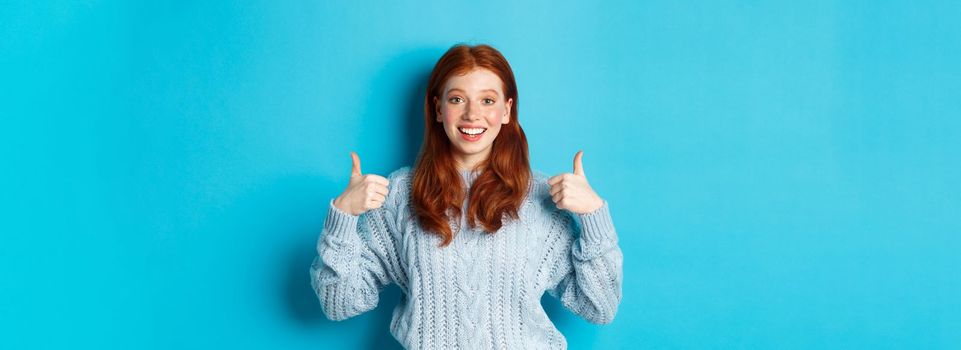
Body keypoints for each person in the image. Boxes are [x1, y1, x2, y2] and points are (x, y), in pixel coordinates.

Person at [310, 43, 623, 349]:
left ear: (506, 110)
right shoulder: (401, 196)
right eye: (457, 98)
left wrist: (594, 215)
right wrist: (343, 216)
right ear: (437, 108)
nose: (473, 114)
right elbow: (339, 304)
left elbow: (600, 307)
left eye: (487, 100)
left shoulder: (539, 198)